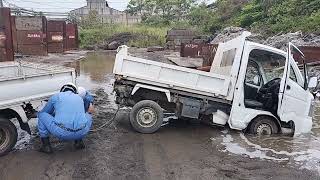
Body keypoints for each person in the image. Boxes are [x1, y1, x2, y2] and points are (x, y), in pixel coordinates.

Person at [37, 83, 93, 154]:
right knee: (88, 115)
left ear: (62, 90)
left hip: (62, 133)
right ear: (74, 91)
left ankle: (46, 146)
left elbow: (46, 112)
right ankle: (79, 142)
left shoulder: (56, 96)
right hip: (82, 132)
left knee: (41, 115)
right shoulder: (79, 98)